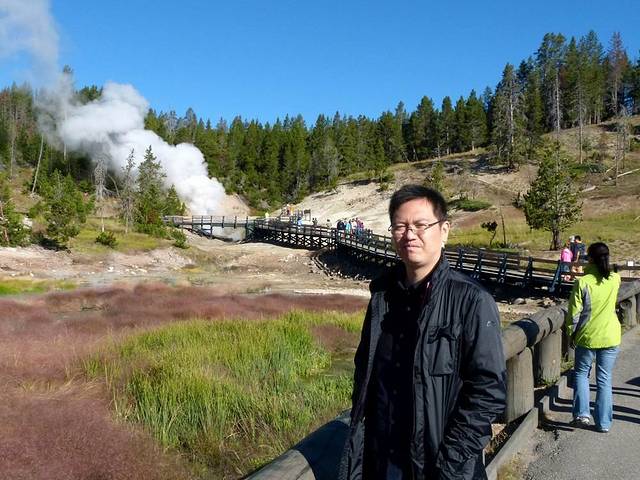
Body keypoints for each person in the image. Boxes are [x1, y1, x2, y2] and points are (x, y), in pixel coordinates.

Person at [340, 184, 506, 480]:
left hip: (438, 466)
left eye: (420, 225)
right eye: (400, 226)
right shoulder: (382, 296)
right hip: (381, 461)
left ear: (444, 231)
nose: (409, 234)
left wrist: (449, 464)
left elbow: (488, 390)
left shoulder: (471, 300)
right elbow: (364, 371)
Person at [565, 242, 621, 433]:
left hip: (588, 336)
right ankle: (604, 423)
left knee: (581, 374)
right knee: (604, 379)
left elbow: (574, 314)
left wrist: (571, 334)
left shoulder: (583, 282)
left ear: (589, 259)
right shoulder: (615, 279)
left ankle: (582, 414)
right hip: (611, 335)